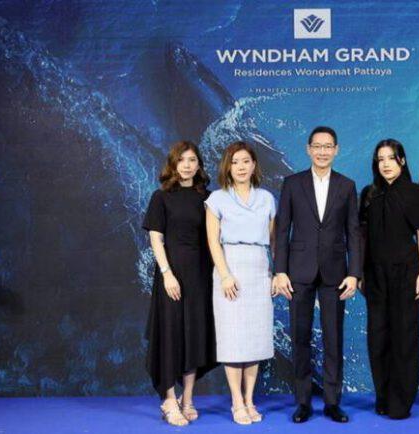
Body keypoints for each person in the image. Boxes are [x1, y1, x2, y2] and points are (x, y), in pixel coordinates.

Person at [273, 126, 361, 423]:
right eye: (318, 146)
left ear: (336, 150)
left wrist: (354, 273)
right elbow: (282, 230)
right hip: (298, 272)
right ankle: (303, 402)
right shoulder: (292, 183)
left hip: (335, 274)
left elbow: (353, 232)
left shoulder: (347, 186)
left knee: (333, 339)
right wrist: (280, 270)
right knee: (300, 338)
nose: (323, 151)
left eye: (328, 146)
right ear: (308, 149)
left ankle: (333, 402)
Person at [142, 140, 218, 427]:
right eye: (182, 160)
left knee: (194, 336)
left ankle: (187, 399)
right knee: (171, 335)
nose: (187, 165)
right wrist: (167, 273)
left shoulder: (209, 198)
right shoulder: (161, 197)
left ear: (199, 165)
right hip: (172, 276)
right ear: (173, 164)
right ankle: (169, 400)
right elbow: (156, 238)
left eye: (192, 160)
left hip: (201, 276)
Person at [205, 141, 277, 425]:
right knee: (233, 338)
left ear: (254, 165)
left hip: (259, 268)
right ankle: (237, 401)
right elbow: (213, 241)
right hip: (230, 267)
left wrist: (275, 273)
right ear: (228, 167)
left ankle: (249, 399)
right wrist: (225, 274)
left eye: (246, 161)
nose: (241, 167)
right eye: (235, 162)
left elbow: (274, 241)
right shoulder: (217, 199)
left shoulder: (267, 199)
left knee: (255, 338)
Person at [359, 139, 419, 419]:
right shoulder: (368, 194)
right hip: (375, 276)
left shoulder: (415, 192)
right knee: (378, 338)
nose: (386, 164)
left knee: (404, 337)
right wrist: (360, 273)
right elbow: (362, 237)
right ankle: (383, 396)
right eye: (380, 159)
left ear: (402, 161)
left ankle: (401, 401)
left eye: (391, 158)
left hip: (406, 273)